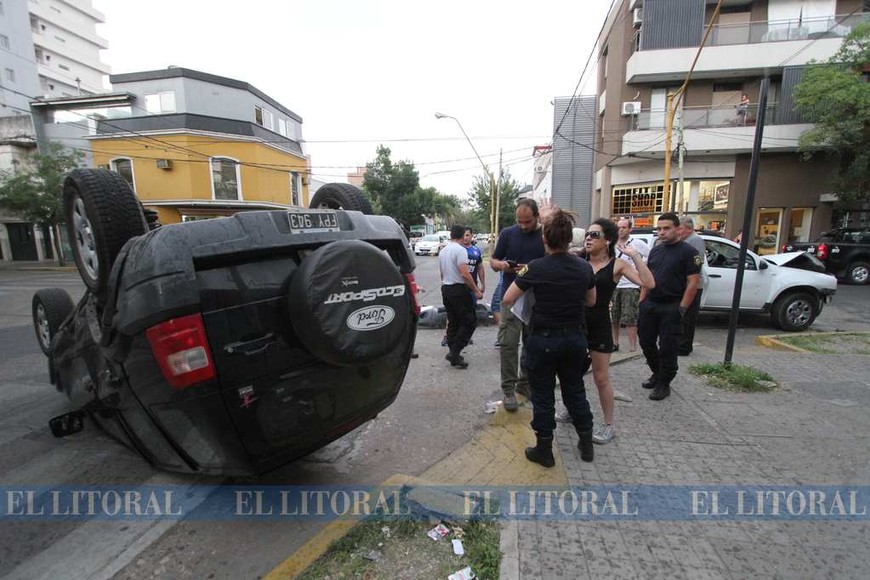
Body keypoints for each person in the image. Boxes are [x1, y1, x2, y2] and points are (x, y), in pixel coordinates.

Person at [501, 207, 597, 466]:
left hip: (543, 340)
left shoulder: (534, 268)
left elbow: (508, 299)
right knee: (575, 391)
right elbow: (591, 301)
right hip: (575, 339)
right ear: (569, 240)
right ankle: (586, 443)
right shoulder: (583, 267)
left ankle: (544, 449)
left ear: (545, 238)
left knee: (543, 395)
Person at [557, 219, 655, 444]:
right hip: (575, 324)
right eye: (588, 234)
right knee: (570, 374)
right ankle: (571, 409)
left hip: (599, 324)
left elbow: (649, 283)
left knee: (601, 378)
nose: (589, 238)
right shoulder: (578, 259)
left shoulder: (618, 265)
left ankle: (609, 425)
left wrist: (635, 255)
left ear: (608, 240)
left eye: (595, 235)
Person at [490, 199, 546, 411]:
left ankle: (526, 384)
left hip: (537, 299)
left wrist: (533, 268)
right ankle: (508, 390)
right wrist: (501, 265)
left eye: (528, 222)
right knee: (508, 344)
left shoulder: (545, 234)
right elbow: (494, 261)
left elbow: (553, 259)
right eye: (519, 222)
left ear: (537, 216)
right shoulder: (508, 233)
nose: (523, 226)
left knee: (533, 346)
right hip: (510, 298)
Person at [638, 212, 701, 401]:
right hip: (650, 304)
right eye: (659, 229)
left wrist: (682, 308)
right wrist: (642, 301)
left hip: (672, 305)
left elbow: (693, 283)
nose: (662, 232)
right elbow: (647, 277)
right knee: (646, 342)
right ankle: (657, 373)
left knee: (667, 347)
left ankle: (664, 383)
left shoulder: (688, 252)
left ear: (677, 229)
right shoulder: (656, 250)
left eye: (666, 228)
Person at [439, 225, 483, 369]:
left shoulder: (443, 250)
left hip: (446, 288)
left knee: (454, 322)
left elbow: (442, 273)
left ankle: (454, 354)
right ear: (462, 235)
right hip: (458, 289)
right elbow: (465, 273)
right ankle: (455, 351)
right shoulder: (461, 250)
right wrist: (476, 290)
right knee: (469, 321)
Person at [611, 218, 651, 353]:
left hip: (631, 285)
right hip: (615, 285)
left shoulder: (637, 244)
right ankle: (615, 343)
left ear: (630, 229)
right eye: (618, 227)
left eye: (623, 227)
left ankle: (633, 347)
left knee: (630, 317)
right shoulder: (612, 244)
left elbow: (649, 257)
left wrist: (641, 267)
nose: (620, 230)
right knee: (613, 316)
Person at [677, 217, 708, 356]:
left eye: (680, 228)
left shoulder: (695, 240)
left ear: (689, 229)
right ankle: (680, 344)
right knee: (683, 317)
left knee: (688, 317)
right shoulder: (685, 240)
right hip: (684, 283)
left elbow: (697, 261)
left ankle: (684, 346)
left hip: (692, 283)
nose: (678, 231)